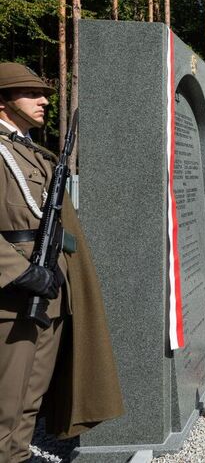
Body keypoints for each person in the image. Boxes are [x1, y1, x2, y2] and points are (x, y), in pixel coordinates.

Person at [0, 62, 123, 460]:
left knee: (28, 402)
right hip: (13, 297)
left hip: (50, 292)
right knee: (5, 405)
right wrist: (19, 272)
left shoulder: (31, 150)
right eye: (31, 93)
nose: (44, 100)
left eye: (45, 94)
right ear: (3, 101)